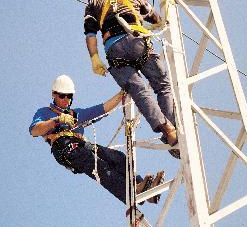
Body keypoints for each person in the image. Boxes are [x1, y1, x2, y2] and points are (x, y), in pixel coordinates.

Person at [84, 0, 180, 159]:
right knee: (162, 86)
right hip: (137, 41)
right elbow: (154, 17)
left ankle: (168, 131)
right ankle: (174, 129)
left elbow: (90, 34)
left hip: (114, 49)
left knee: (139, 91)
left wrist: (95, 58)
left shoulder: (94, 3)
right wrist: (161, 20)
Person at [29, 74, 165, 205]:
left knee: (117, 157)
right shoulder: (45, 112)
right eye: (62, 95)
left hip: (82, 145)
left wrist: (120, 95)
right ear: (54, 94)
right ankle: (131, 192)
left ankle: (144, 189)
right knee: (98, 165)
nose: (66, 99)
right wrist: (56, 121)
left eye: (69, 96)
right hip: (65, 148)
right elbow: (34, 130)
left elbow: (102, 109)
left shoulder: (76, 114)